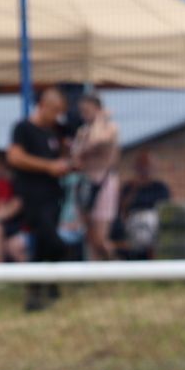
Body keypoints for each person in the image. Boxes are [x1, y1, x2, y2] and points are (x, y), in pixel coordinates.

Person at [7, 86, 72, 310]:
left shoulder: (53, 133)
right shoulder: (23, 128)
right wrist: (48, 166)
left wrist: (66, 162)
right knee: (53, 242)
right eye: (55, 110)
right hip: (33, 198)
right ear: (43, 105)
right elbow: (14, 157)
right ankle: (44, 285)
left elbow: (58, 160)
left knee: (44, 246)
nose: (58, 116)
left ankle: (42, 291)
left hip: (54, 197)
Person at [72, 92, 122, 262]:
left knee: (101, 237)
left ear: (98, 109)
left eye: (87, 110)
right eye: (82, 111)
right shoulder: (82, 131)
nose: (84, 115)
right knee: (90, 236)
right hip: (86, 182)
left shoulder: (111, 128)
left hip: (104, 182)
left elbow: (96, 140)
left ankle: (116, 266)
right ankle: (95, 270)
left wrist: (100, 119)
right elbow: (76, 156)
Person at [114, 151, 171, 260]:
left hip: (153, 224)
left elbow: (165, 209)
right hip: (133, 223)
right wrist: (135, 188)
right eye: (142, 167)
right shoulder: (129, 187)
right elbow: (122, 208)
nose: (145, 170)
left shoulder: (160, 187)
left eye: (148, 166)